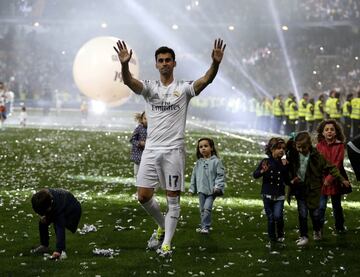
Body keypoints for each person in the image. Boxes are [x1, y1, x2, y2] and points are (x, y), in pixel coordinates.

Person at [113, 39, 226, 257]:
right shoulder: (150, 88)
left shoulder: (183, 89)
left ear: (174, 64)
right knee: (143, 197)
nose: (164, 63)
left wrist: (215, 64)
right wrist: (125, 64)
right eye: (160, 60)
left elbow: (206, 80)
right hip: (152, 151)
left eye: (168, 60)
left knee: (172, 198)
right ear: (156, 64)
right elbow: (129, 81)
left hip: (173, 151)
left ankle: (166, 244)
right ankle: (163, 225)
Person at [287, 131, 349, 246]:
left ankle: (317, 230)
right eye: (298, 147)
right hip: (300, 189)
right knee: (302, 213)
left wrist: (342, 179)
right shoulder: (293, 155)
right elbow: (286, 152)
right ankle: (304, 236)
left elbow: (332, 167)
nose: (300, 150)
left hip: (313, 190)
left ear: (309, 145)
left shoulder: (317, 157)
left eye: (303, 147)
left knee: (315, 214)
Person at [316, 119, 350, 235]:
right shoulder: (319, 146)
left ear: (336, 132)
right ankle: (318, 228)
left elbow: (338, 163)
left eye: (332, 130)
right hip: (321, 180)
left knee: (337, 206)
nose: (329, 131)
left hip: (335, 179)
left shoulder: (340, 145)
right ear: (323, 133)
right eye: (326, 130)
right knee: (321, 206)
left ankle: (340, 226)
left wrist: (330, 178)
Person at [253, 137, 289, 243]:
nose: (281, 150)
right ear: (272, 149)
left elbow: (286, 180)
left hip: (279, 195)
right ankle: (272, 237)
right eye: (278, 148)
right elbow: (255, 175)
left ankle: (280, 232)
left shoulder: (284, 162)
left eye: (283, 148)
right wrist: (262, 171)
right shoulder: (266, 161)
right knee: (271, 217)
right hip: (267, 194)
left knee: (278, 216)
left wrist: (286, 168)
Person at [31, 188, 82, 260]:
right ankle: (44, 245)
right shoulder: (39, 198)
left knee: (57, 225)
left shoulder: (57, 207)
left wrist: (59, 250)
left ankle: (60, 250)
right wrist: (43, 216)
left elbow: (60, 228)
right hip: (59, 205)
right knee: (42, 222)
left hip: (72, 210)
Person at [189, 138, 225, 234]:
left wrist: (217, 186)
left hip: (212, 191)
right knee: (202, 209)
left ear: (211, 148)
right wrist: (192, 189)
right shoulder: (198, 163)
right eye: (201, 147)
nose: (203, 148)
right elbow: (194, 176)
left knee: (207, 208)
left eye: (206, 146)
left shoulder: (216, 161)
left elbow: (220, 175)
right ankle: (203, 226)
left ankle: (206, 226)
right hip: (201, 190)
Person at [130, 111, 147, 177]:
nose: (146, 121)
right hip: (138, 155)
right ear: (142, 119)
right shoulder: (139, 128)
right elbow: (132, 139)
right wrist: (139, 143)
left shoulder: (153, 129)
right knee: (138, 174)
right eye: (145, 119)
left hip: (149, 155)